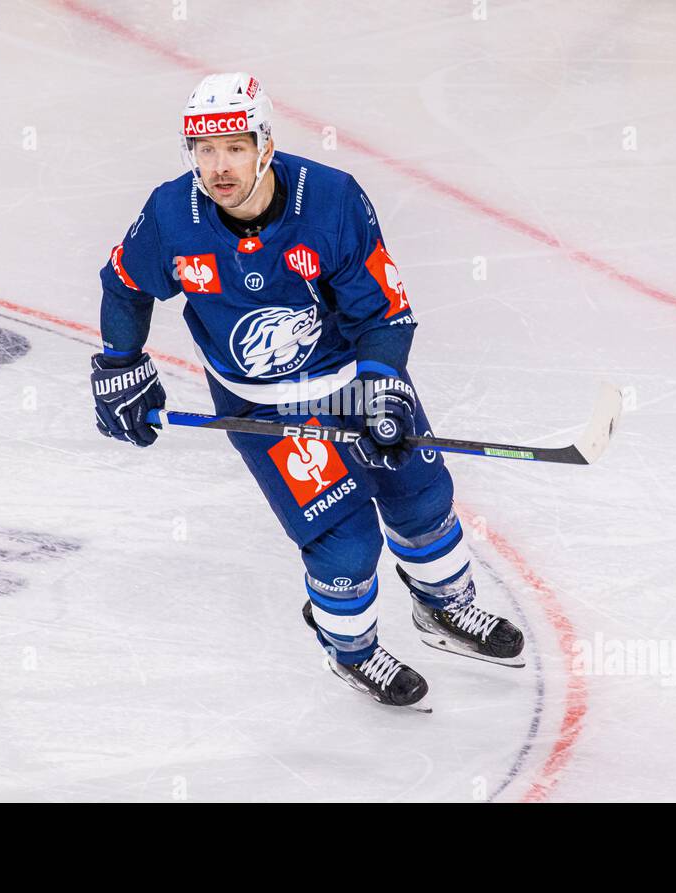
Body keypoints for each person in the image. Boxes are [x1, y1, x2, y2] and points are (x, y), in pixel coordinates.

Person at [90, 72, 524, 709]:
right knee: (345, 545)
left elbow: (382, 313)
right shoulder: (169, 217)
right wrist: (117, 365)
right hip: (261, 406)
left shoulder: (329, 201)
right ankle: (351, 651)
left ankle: (444, 609)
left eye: (235, 146)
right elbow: (125, 283)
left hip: (351, 382)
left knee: (421, 497)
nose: (219, 166)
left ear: (265, 144)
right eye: (204, 149)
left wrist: (381, 388)